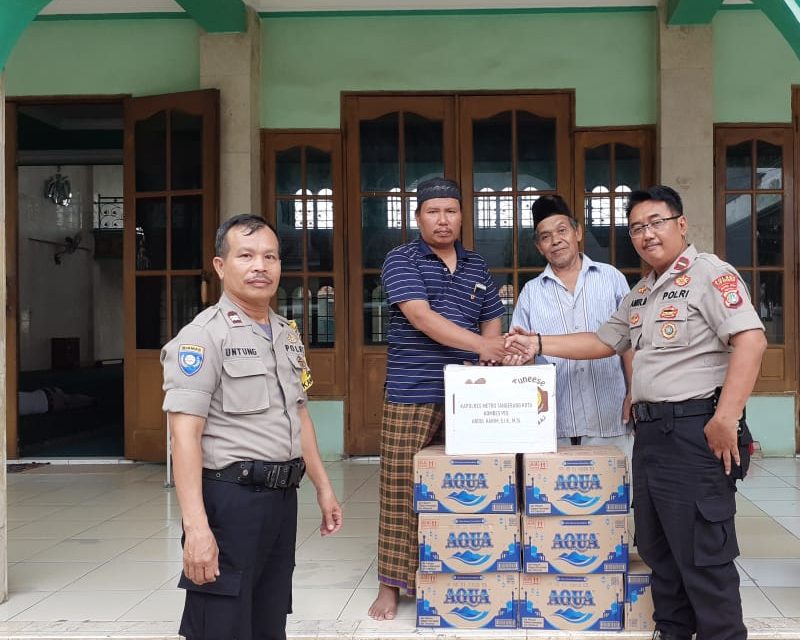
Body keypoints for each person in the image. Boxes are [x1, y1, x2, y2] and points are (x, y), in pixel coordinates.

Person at [506, 185, 767, 640]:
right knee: (658, 550)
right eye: (637, 228)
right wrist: (539, 343)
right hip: (651, 437)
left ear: (681, 225)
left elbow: (751, 339)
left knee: (702, 556)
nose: (647, 234)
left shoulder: (710, 274)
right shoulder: (643, 292)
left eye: (656, 223)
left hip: (694, 432)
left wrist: (726, 417)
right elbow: (605, 340)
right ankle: (672, 632)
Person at [161, 214, 343, 640]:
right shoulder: (202, 337)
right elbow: (183, 436)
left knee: (268, 618)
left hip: (281, 501)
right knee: (221, 625)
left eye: (270, 256)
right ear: (221, 266)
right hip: (229, 502)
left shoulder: (285, 333)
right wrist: (197, 529)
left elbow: (299, 414)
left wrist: (323, 486)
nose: (260, 266)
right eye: (246, 255)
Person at [369, 177, 508, 620]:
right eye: (433, 212)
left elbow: (492, 321)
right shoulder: (401, 258)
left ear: (462, 217)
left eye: (450, 211)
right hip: (413, 392)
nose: (443, 219)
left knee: (468, 485)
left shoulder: (477, 265)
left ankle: (457, 573)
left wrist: (487, 361)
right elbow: (421, 316)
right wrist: (483, 347)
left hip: (469, 394)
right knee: (399, 490)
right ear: (418, 218)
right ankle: (392, 585)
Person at [511, 195, 633, 459]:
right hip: (553, 422)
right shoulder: (531, 293)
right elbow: (522, 360)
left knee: (614, 497)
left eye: (562, 230)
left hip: (609, 416)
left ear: (577, 232)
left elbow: (629, 343)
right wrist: (518, 355)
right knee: (554, 498)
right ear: (539, 246)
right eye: (545, 236)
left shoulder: (611, 278)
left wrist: (634, 391)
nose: (555, 240)